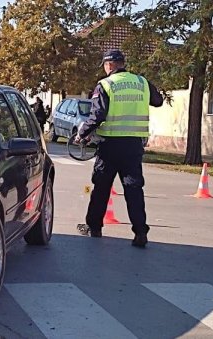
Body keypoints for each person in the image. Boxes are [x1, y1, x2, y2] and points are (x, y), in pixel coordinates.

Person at [76, 49, 163, 248]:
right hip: (133, 145)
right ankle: (140, 232)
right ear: (123, 63)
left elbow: (98, 115)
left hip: (110, 145)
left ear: (109, 65)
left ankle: (95, 227)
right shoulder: (142, 83)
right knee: (133, 188)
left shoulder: (106, 84)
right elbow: (158, 101)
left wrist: (82, 134)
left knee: (101, 188)